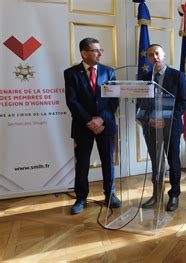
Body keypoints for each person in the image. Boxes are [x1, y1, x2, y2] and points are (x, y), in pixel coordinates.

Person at [64, 37, 121, 214]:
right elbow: (72, 101)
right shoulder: (71, 73)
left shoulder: (109, 71)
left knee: (108, 162)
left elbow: (114, 100)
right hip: (83, 126)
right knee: (82, 163)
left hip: (105, 125)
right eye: (96, 50)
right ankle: (81, 198)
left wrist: (101, 119)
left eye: (100, 49)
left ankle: (110, 195)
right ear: (84, 53)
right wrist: (89, 121)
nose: (100, 53)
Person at [136, 44, 186, 212]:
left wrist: (166, 120)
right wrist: (147, 119)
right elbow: (140, 103)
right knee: (156, 163)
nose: (155, 57)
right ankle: (156, 194)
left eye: (157, 53)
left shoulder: (177, 75)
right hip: (150, 127)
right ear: (148, 58)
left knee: (173, 161)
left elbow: (183, 102)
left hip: (171, 127)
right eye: (151, 55)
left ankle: (174, 195)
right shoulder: (143, 78)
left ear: (164, 55)